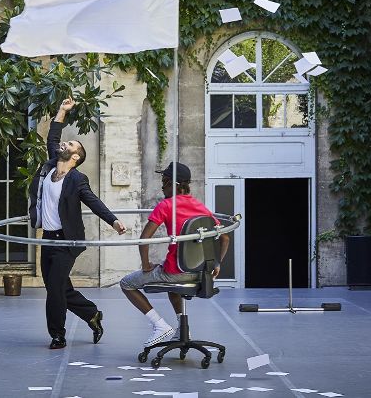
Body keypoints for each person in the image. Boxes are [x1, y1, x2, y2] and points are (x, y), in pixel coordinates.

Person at [29, 98, 127, 350]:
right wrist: (62, 110)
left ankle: (57, 335)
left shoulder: (77, 179)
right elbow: (52, 137)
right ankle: (92, 314)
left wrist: (113, 221)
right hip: (48, 238)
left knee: (54, 292)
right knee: (57, 286)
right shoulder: (50, 166)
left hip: (67, 240)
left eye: (70, 144)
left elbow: (93, 201)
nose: (64, 143)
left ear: (75, 156)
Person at [120, 162, 229, 346]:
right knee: (173, 289)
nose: (162, 186)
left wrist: (146, 266)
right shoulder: (201, 207)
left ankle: (160, 325)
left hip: (175, 272)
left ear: (172, 183)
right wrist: (216, 264)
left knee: (127, 283)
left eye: (164, 182)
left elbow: (144, 239)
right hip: (201, 272)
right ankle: (182, 329)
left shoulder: (166, 205)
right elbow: (225, 238)